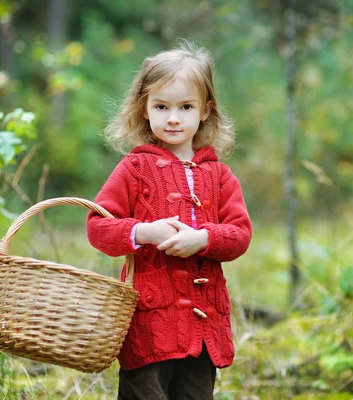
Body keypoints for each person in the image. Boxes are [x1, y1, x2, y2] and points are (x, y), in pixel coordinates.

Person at [87, 40, 252, 400]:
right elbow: (97, 226)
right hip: (150, 320)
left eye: (185, 106)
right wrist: (142, 231)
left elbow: (240, 234)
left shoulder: (220, 175)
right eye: (161, 106)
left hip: (204, 323)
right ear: (144, 109)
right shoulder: (134, 168)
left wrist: (204, 239)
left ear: (206, 111)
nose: (173, 117)